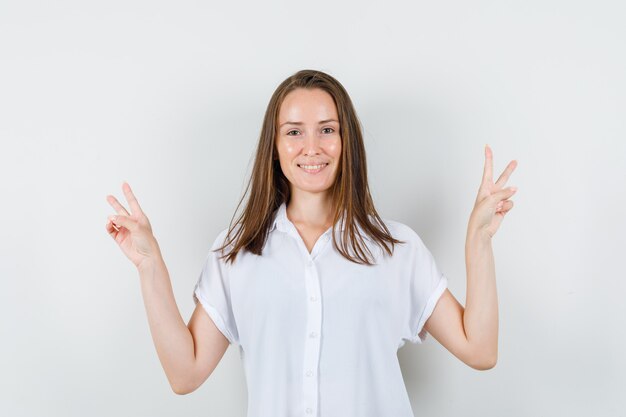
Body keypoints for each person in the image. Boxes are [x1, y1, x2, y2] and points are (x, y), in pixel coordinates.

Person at [105, 69, 518, 416]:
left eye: (327, 130)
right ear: (276, 145)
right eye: (294, 132)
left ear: (346, 140)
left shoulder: (397, 248)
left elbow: (479, 350)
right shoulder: (237, 251)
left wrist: (478, 241)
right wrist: (149, 265)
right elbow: (185, 374)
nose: (312, 148)